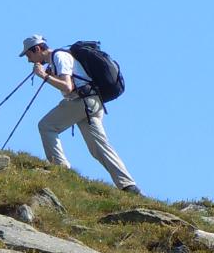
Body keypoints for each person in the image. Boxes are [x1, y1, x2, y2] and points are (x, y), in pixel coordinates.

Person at [20, 35, 140, 194]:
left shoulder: (59, 56)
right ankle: (128, 186)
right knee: (99, 148)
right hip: (93, 103)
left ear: (37, 49)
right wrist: (51, 75)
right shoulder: (60, 58)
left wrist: (44, 76)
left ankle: (60, 169)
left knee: (46, 126)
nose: (29, 60)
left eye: (29, 55)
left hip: (82, 102)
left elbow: (67, 87)